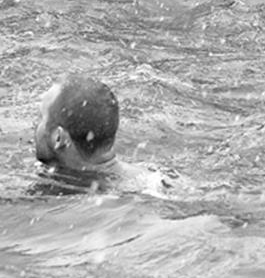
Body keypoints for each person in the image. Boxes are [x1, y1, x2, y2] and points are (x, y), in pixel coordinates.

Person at [33, 75, 168, 194]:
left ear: (58, 138)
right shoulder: (153, 181)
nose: (35, 125)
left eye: (42, 117)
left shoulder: (62, 198)